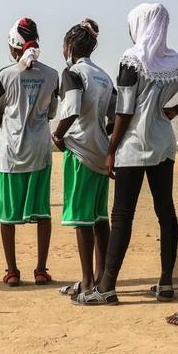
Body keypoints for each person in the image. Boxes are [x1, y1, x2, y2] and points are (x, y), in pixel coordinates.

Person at [87, 3, 178, 306]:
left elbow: (124, 110)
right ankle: (166, 282)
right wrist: (176, 109)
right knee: (166, 211)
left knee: (123, 214)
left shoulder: (131, 60)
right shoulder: (176, 62)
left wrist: (111, 149)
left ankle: (107, 286)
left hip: (134, 145)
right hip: (163, 143)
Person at [44, 19, 116, 303]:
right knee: (100, 218)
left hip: (80, 151)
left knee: (82, 220)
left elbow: (71, 109)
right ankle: (101, 279)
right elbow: (114, 115)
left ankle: (87, 282)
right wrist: (101, 135)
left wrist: (58, 136)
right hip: (100, 150)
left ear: (70, 46)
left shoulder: (72, 72)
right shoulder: (103, 76)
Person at [0, 18, 59, 286]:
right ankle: (41, 269)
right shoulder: (52, 74)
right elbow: (53, 109)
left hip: (11, 152)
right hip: (40, 150)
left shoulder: (4, 75)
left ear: (13, 48)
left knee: (7, 214)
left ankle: (12, 271)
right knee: (42, 212)